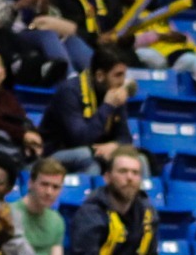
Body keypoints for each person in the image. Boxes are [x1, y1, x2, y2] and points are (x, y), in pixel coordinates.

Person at [68, 148, 187, 255]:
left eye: (135, 173)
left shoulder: (147, 211)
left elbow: (150, 253)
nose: (130, 178)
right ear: (107, 177)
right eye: (123, 172)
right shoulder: (91, 212)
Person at [40, 47, 133, 175]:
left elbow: (126, 137)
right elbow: (81, 139)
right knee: (88, 159)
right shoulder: (70, 92)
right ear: (100, 76)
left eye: (124, 75)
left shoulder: (115, 92)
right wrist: (108, 106)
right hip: (56, 153)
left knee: (138, 160)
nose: (122, 81)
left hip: (95, 151)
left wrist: (115, 146)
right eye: (118, 75)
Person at [17, 159, 74, 255]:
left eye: (55, 187)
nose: (49, 192)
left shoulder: (57, 220)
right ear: (30, 183)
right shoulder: (11, 213)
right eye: (44, 184)